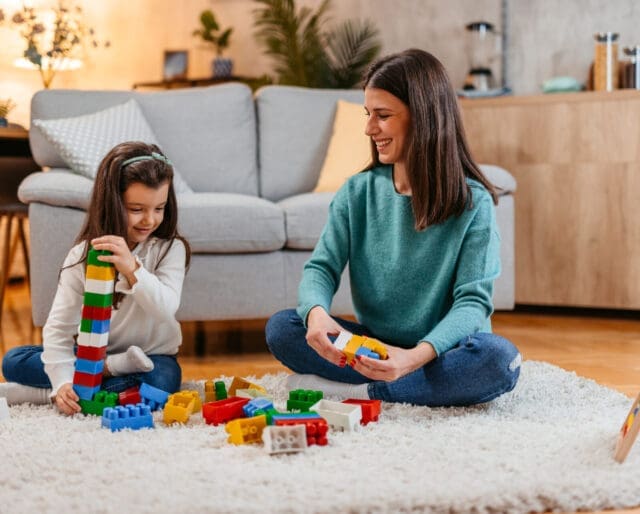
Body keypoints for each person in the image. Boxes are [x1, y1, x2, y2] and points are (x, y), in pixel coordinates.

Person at [265, 49, 521, 407]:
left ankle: (363, 391)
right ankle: (407, 388)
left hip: (441, 350)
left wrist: (413, 358)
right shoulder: (357, 192)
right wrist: (317, 315)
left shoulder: (473, 203)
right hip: (375, 345)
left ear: (424, 118)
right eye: (369, 115)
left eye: (382, 116)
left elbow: (473, 303)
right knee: (283, 328)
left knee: (498, 360)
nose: (370, 129)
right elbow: (321, 269)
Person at [0, 141, 190, 415]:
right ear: (112, 203)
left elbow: (165, 308)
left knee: (161, 382)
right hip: (88, 356)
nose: (149, 220)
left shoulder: (170, 249)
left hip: (152, 357)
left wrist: (132, 269)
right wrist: (62, 381)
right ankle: (108, 372)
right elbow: (59, 328)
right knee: (13, 361)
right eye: (136, 209)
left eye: (159, 208)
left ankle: (41, 393)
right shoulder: (82, 256)